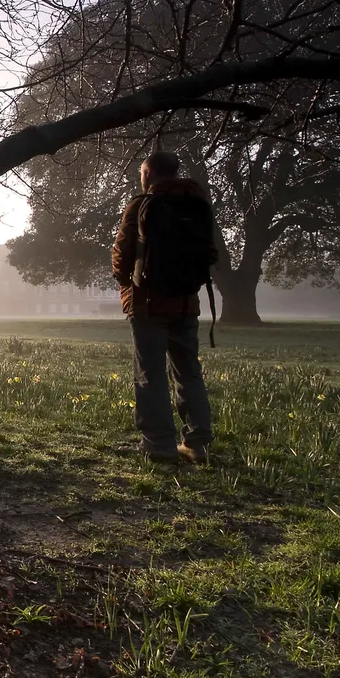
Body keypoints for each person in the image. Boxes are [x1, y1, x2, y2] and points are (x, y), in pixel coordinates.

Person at [111, 151, 218, 464]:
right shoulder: (198, 205)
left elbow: (122, 252)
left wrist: (125, 280)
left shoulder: (141, 204)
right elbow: (209, 253)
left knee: (151, 375)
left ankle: (158, 445)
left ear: (148, 173)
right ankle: (197, 444)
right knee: (189, 372)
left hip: (147, 304)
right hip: (186, 302)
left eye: (142, 172)